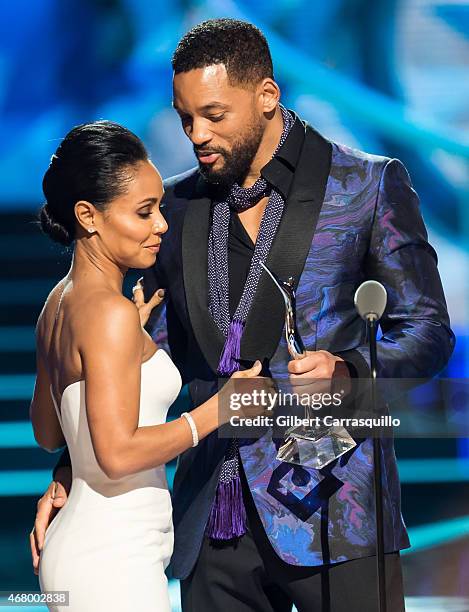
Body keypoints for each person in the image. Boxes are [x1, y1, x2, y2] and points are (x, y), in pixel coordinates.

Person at [33, 19, 455, 612]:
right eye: (185, 119)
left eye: (213, 115)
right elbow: (133, 361)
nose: (197, 134)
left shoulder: (366, 184)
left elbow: (428, 331)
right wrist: (73, 467)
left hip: (334, 506)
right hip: (211, 514)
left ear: (266, 96)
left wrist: (351, 367)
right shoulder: (173, 206)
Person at [30, 120, 262, 611]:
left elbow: (51, 434)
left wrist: (121, 345)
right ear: (88, 215)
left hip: (78, 553)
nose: (161, 224)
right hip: (113, 560)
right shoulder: (108, 314)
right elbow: (115, 454)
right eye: (144, 212)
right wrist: (218, 411)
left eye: (159, 207)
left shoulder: (59, 304)